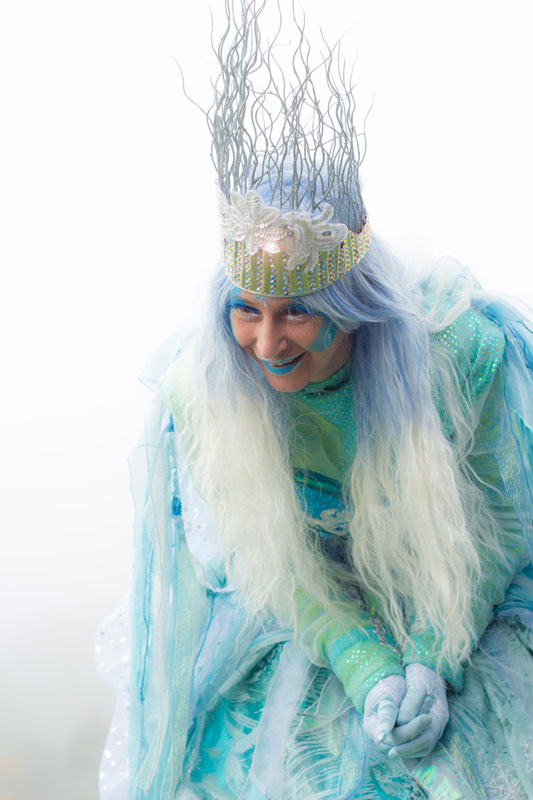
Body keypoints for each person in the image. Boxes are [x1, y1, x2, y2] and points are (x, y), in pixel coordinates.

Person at [97, 3, 533, 798]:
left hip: (459, 604)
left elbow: (497, 527)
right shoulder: (205, 392)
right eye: (246, 311)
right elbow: (270, 563)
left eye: (296, 311)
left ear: (355, 307)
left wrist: (428, 665)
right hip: (306, 618)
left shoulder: (462, 353)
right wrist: (365, 667)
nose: (265, 344)